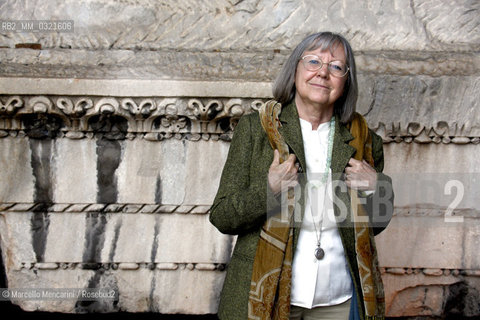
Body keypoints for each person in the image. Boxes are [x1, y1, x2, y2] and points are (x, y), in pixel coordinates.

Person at [210, 32, 394, 320]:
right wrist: (268, 190)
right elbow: (222, 216)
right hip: (262, 298)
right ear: (295, 69)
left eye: (336, 67)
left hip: (338, 300)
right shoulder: (255, 131)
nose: (323, 72)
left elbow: (377, 224)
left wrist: (377, 187)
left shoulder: (364, 140)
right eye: (313, 61)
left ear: (345, 82)